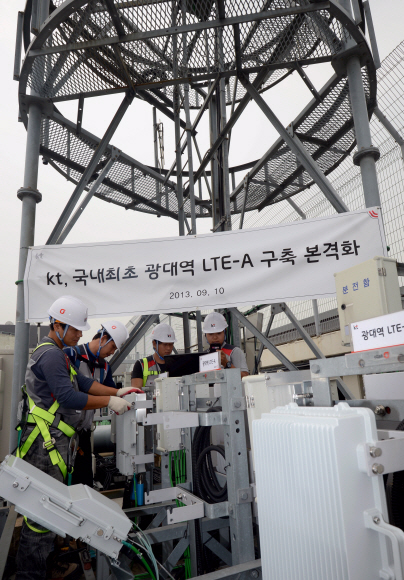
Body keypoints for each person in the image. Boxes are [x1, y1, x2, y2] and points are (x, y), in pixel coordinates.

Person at [15, 296, 134, 580]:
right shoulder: (52, 354)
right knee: (41, 515)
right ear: (58, 325)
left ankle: (42, 565)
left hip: (52, 441)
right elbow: (68, 396)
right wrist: (109, 402)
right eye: (76, 329)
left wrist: (115, 392)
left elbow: (80, 382)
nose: (81, 334)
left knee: (48, 509)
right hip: (45, 443)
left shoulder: (58, 352)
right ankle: (31, 574)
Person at [64, 320, 143, 487]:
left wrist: (123, 394)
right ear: (103, 338)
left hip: (83, 432)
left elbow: (111, 391)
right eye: (112, 347)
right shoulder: (71, 355)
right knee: (62, 480)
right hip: (62, 431)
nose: (112, 352)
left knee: (83, 480)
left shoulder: (104, 367)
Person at [203, 312, 249, 378]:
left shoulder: (234, 352)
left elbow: (245, 378)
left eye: (219, 333)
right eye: (210, 334)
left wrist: (226, 364)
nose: (215, 337)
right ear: (205, 335)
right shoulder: (203, 356)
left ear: (225, 332)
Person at [131, 323, 176, 390]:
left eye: (171, 344)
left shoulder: (177, 364)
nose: (169, 348)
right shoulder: (141, 364)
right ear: (154, 344)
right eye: (165, 344)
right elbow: (136, 392)